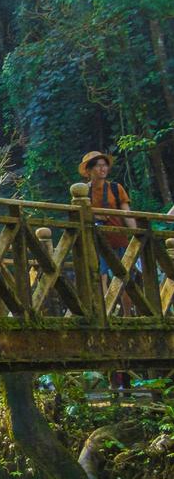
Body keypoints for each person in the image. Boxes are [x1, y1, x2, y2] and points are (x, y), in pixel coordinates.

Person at [80, 150, 137, 391]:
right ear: (90, 169)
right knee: (100, 275)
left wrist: (137, 235)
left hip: (120, 240)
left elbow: (126, 213)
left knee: (122, 278)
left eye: (104, 165)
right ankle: (106, 310)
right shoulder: (84, 191)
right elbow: (80, 214)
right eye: (98, 166)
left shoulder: (116, 189)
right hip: (97, 241)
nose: (102, 169)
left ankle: (125, 313)